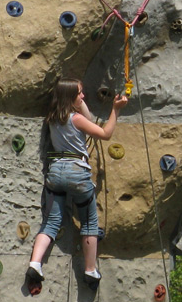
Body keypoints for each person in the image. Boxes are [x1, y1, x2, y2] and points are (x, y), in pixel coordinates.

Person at [27, 78, 127, 289]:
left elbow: (86, 116)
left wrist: (77, 101)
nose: (83, 97)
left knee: (51, 222)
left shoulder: (53, 118)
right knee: (89, 222)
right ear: (70, 98)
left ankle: (35, 263)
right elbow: (105, 134)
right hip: (77, 172)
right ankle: (90, 270)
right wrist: (115, 110)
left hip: (55, 173)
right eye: (79, 94)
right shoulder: (76, 120)